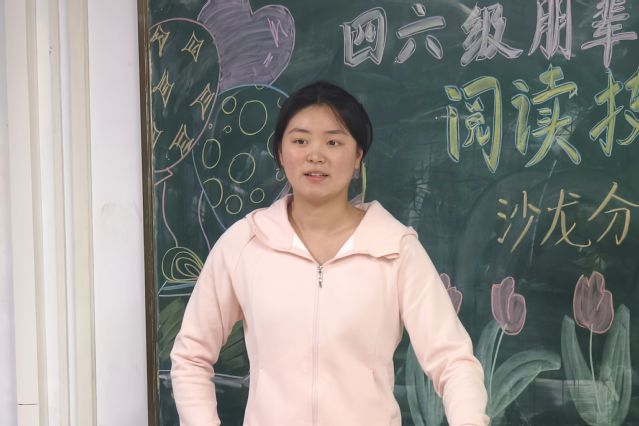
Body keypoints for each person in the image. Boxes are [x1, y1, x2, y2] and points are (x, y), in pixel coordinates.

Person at [170, 81, 489, 426]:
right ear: (280, 152)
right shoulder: (246, 243)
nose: (315, 155)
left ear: (358, 156)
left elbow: (453, 361)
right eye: (300, 141)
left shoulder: (394, 248)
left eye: (333, 142)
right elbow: (191, 356)